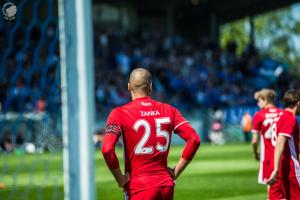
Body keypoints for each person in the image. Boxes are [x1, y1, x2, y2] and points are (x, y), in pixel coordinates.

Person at [101, 68, 200, 200]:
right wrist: (176, 171)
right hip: (166, 187)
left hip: (138, 188)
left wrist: (120, 178)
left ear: (129, 86)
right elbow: (194, 139)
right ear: (151, 87)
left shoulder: (119, 114)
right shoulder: (169, 110)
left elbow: (107, 149)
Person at [266, 90, 300, 200]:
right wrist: (276, 169)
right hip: (289, 170)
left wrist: (274, 169)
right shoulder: (290, 117)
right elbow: (280, 141)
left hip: (275, 169)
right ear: (298, 103)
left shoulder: (277, 117)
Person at [251, 89, 282, 188]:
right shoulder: (283, 114)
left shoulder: (259, 115)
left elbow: (255, 140)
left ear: (265, 100)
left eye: (259, 100)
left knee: (271, 190)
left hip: (268, 157)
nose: (258, 103)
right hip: (283, 156)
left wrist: (255, 153)